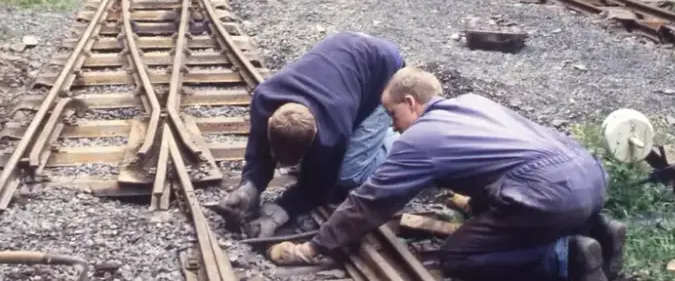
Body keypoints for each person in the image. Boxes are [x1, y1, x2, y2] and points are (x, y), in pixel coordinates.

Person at [267, 68, 628, 281]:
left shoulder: (421, 137)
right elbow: (504, 160)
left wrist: (313, 247)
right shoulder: (472, 102)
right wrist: (475, 203)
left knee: (458, 257)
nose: (393, 127)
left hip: (552, 196)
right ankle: (599, 229)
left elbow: (370, 201)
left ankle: (567, 254)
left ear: (411, 103)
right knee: (529, 206)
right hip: (591, 178)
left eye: (392, 115)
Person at [212, 32, 405, 238]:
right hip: (348, 56)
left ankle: (403, 136)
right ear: (270, 122)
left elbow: (321, 186)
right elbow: (259, 148)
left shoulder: (334, 130)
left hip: (386, 73)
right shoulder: (264, 98)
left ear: (315, 135)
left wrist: (280, 213)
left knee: (349, 175)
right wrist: (250, 188)